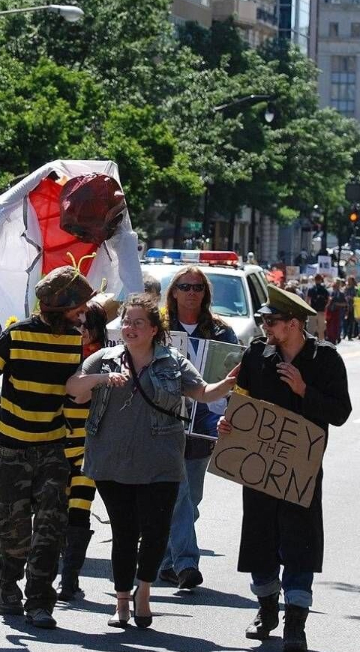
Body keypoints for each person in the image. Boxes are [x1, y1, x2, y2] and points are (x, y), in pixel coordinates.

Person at [67, 294, 237, 629]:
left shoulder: (173, 361)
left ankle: (143, 591)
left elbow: (202, 393)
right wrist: (102, 379)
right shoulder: (104, 358)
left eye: (137, 322)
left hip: (162, 460)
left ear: (154, 329)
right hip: (111, 460)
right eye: (126, 321)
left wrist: (228, 383)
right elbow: (75, 389)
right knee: (125, 531)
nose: (129, 328)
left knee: (156, 531)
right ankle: (121, 602)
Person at [219, 285, 352, 652]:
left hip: (300, 469)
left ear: (293, 324)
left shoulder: (325, 359)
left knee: (299, 542)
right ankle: (265, 609)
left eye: (271, 321)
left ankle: (296, 620)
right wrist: (229, 425)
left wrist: (304, 389)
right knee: (260, 538)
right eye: (263, 320)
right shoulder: (256, 355)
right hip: (260, 467)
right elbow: (240, 401)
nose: (265, 327)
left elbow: (340, 413)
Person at [0, 266, 92, 629]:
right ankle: (7, 582)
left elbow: (72, 388)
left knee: (51, 528)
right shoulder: (17, 334)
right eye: (78, 307)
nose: (82, 314)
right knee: (12, 528)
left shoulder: (75, 340)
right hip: (13, 448)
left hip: (53, 448)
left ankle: (40, 601)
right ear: (60, 304)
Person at [156, 267, 238, 591]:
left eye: (197, 287)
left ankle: (165, 563)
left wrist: (232, 417)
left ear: (205, 293)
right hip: (162, 422)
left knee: (193, 498)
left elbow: (233, 379)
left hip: (203, 424)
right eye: (184, 286)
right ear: (173, 291)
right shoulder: (158, 327)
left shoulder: (221, 332)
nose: (191, 292)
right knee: (179, 494)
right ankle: (187, 562)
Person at [57, 295, 118, 602]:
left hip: (88, 448)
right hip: (54, 445)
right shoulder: (58, 352)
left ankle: (68, 580)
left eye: (86, 325)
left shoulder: (110, 360)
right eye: (76, 323)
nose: (81, 330)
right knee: (52, 512)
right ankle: (53, 577)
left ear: (97, 328)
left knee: (78, 512)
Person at [305, 274, 329, 340]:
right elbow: (328, 301)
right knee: (321, 331)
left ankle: (310, 345)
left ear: (314, 280)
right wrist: (324, 308)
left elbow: (307, 300)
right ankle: (322, 345)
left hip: (312, 311)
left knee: (311, 331)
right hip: (321, 311)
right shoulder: (324, 290)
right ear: (321, 280)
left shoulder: (311, 289)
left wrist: (308, 309)